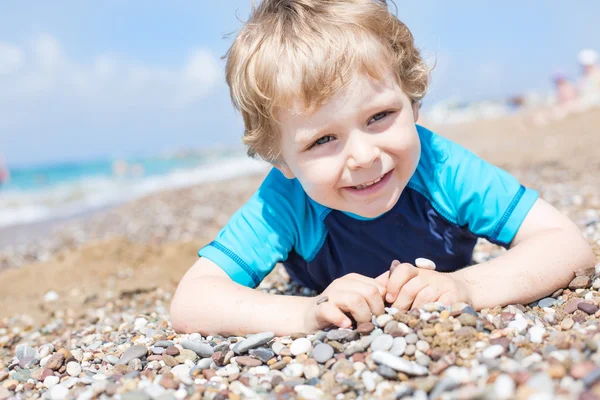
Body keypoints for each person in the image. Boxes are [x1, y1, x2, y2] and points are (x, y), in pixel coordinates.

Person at [170, 0, 595, 336]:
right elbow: (193, 299)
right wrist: (306, 313)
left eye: (379, 117)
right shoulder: (285, 202)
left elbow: (564, 243)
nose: (364, 156)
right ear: (281, 159)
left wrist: (466, 287)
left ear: (411, 102)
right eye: (322, 139)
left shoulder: (441, 167)